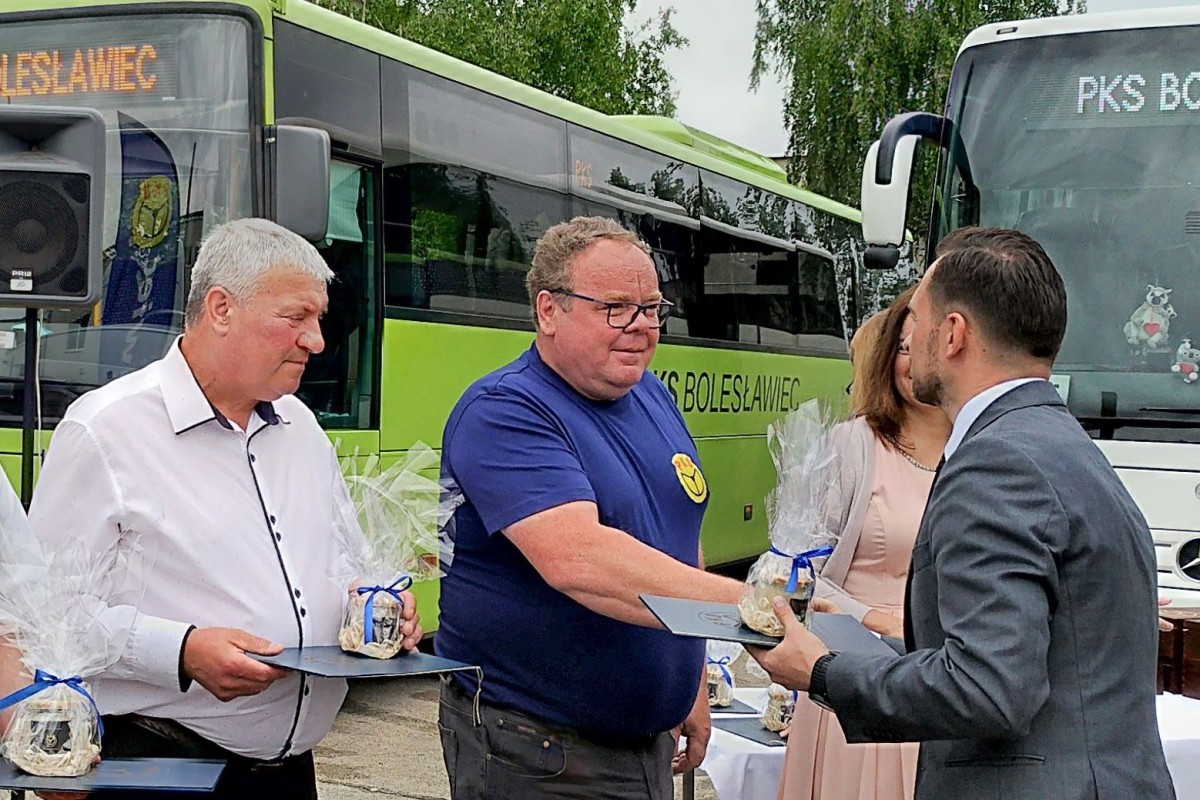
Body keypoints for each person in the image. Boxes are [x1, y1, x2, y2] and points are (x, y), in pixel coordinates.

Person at [749, 227, 1176, 800]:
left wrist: (823, 673)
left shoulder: (997, 464)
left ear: (952, 334)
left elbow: (990, 687)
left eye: (917, 318)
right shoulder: (1064, 446)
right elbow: (1025, 652)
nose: (907, 334)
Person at [27, 218, 421, 799]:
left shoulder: (302, 427)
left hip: (290, 773)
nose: (316, 341)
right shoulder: (105, 430)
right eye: (296, 318)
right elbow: (41, 615)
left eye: (318, 320)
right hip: (163, 768)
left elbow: (340, 561)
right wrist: (181, 651)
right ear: (220, 309)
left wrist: (376, 602)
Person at [435, 215, 744, 800]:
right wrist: (750, 608)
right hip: (537, 754)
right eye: (616, 308)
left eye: (652, 308)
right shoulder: (505, 411)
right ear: (548, 310)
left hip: (640, 745)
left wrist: (692, 681)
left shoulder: (648, 392)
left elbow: (679, 537)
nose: (641, 327)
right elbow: (581, 560)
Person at [778, 286, 950, 800]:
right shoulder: (851, 446)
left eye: (928, 344)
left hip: (944, 690)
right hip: (858, 681)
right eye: (902, 347)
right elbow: (801, 575)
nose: (914, 359)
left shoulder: (983, 452)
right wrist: (887, 624)